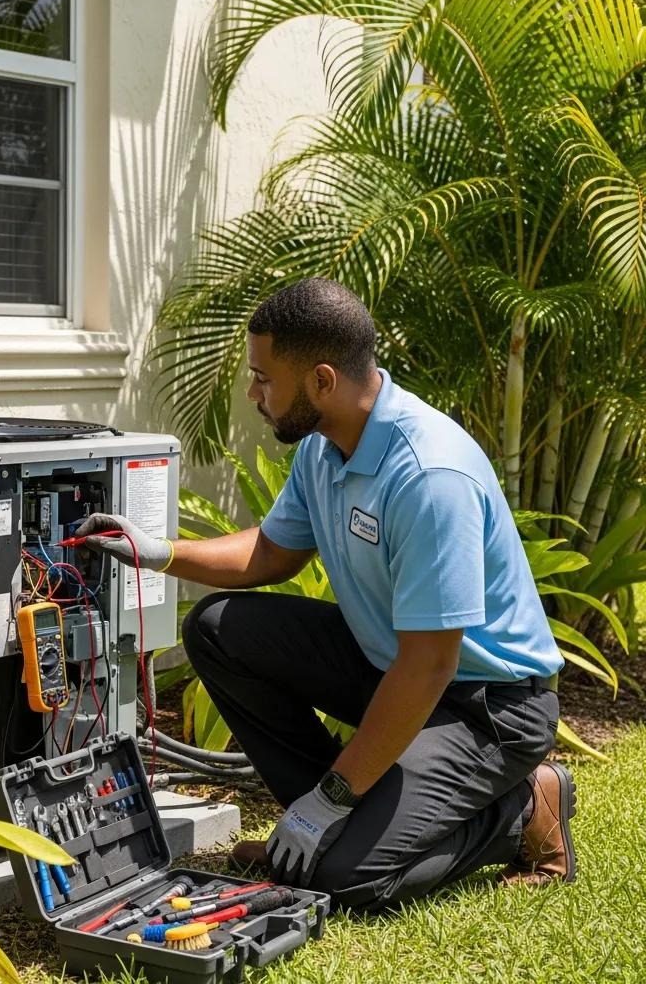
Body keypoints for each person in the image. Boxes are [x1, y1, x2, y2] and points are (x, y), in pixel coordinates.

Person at [75, 276, 575, 913]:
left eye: (263, 378)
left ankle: (523, 806)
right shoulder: (324, 446)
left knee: (344, 881)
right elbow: (274, 552)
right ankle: (330, 825)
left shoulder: (428, 476)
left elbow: (432, 664)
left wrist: (334, 798)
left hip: (489, 706)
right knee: (220, 629)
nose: (253, 393)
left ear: (320, 381)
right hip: (392, 669)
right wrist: (159, 552)